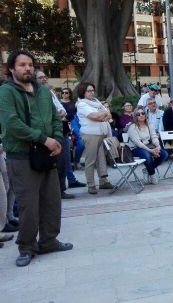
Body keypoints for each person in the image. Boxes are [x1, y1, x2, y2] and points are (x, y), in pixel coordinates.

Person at [0, 50, 73, 267]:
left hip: (46, 153)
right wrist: (44, 139)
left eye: (30, 64)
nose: (27, 68)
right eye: (22, 65)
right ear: (12, 68)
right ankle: (27, 247)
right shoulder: (6, 91)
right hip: (22, 156)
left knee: (51, 200)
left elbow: (55, 116)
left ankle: (49, 241)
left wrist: (57, 139)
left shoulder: (42, 91)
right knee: (28, 204)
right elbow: (12, 124)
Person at [76, 83, 113, 194]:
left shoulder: (96, 102)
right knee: (90, 161)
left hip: (102, 133)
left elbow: (109, 115)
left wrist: (102, 115)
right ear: (83, 92)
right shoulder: (81, 104)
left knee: (102, 159)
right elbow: (94, 116)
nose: (92, 92)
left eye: (92, 90)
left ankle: (103, 182)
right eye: (89, 91)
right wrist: (103, 114)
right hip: (91, 134)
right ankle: (91, 185)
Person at [127, 108, 168, 184]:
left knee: (164, 154)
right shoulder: (132, 127)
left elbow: (154, 136)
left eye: (143, 113)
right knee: (147, 155)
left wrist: (158, 146)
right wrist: (151, 151)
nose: (141, 115)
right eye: (138, 114)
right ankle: (152, 174)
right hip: (136, 148)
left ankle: (148, 170)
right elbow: (139, 143)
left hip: (149, 146)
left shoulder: (149, 124)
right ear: (135, 117)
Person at [59, 88, 86, 194]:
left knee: (66, 158)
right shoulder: (58, 103)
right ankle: (65, 184)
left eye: (67, 92)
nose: (65, 94)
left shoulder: (73, 104)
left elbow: (70, 117)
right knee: (63, 159)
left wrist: (64, 118)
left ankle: (71, 180)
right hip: (59, 132)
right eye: (63, 92)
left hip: (65, 131)